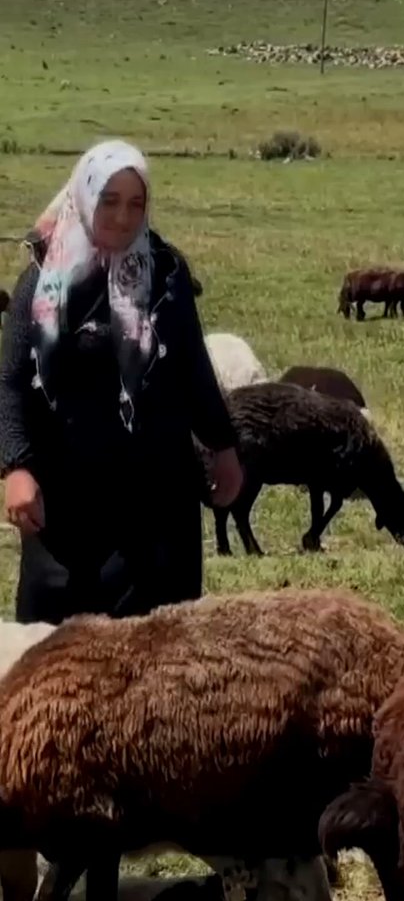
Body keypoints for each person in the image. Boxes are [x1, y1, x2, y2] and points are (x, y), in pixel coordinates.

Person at [0, 139, 243, 624]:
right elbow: (10, 382)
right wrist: (15, 468)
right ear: (85, 197)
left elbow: (193, 369)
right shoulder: (43, 281)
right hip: (67, 507)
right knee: (56, 662)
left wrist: (224, 447)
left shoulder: (166, 274)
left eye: (136, 203)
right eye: (109, 200)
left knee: (156, 660)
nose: (123, 217)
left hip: (157, 506)